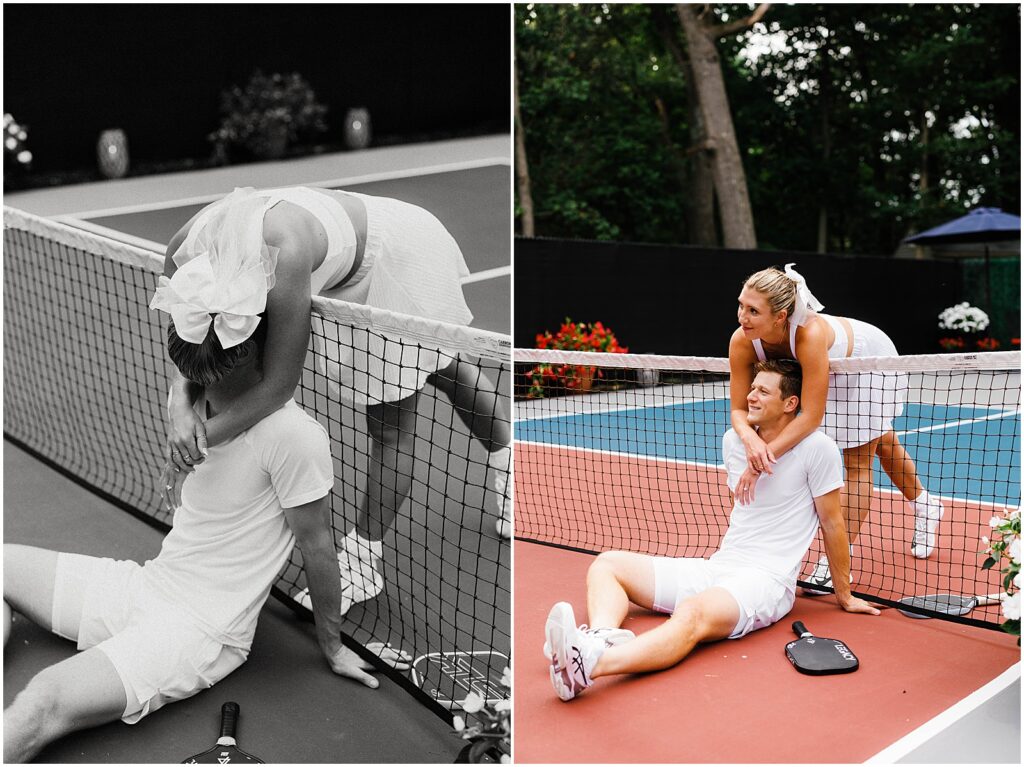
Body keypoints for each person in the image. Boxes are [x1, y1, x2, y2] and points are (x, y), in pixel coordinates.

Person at [3, 291, 406, 763]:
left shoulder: (294, 438)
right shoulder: (194, 398)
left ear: (248, 350)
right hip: (149, 583)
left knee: (44, 698)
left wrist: (332, 647)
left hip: (199, 630)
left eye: (206, 368)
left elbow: (318, 548)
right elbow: (189, 368)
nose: (195, 377)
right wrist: (180, 398)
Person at [153, 186, 512, 615]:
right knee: (443, 367)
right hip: (333, 256)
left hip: (398, 257)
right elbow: (188, 344)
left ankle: (363, 562)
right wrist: (179, 403)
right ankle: (512, 459)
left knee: (391, 423)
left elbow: (277, 387)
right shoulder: (183, 253)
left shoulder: (284, 258)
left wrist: (192, 447)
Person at [543, 359, 879, 702]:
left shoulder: (817, 448)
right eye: (752, 388)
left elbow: (832, 522)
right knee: (608, 564)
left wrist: (844, 593)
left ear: (790, 403)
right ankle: (600, 638)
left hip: (767, 581)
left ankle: (588, 667)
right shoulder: (734, 441)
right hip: (720, 565)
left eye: (763, 391)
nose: (751, 396)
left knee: (693, 613)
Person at [729, 264, 944, 593]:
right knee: (881, 441)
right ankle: (926, 505)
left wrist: (762, 460)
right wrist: (750, 441)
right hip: (823, 366)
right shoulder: (742, 341)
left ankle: (835, 561)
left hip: (867, 362)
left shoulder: (809, 334)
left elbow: (811, 417)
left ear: (780, 316)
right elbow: (739, 410)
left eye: (753, 310)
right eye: (742, 305)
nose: (742, 316)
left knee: (858, 459)